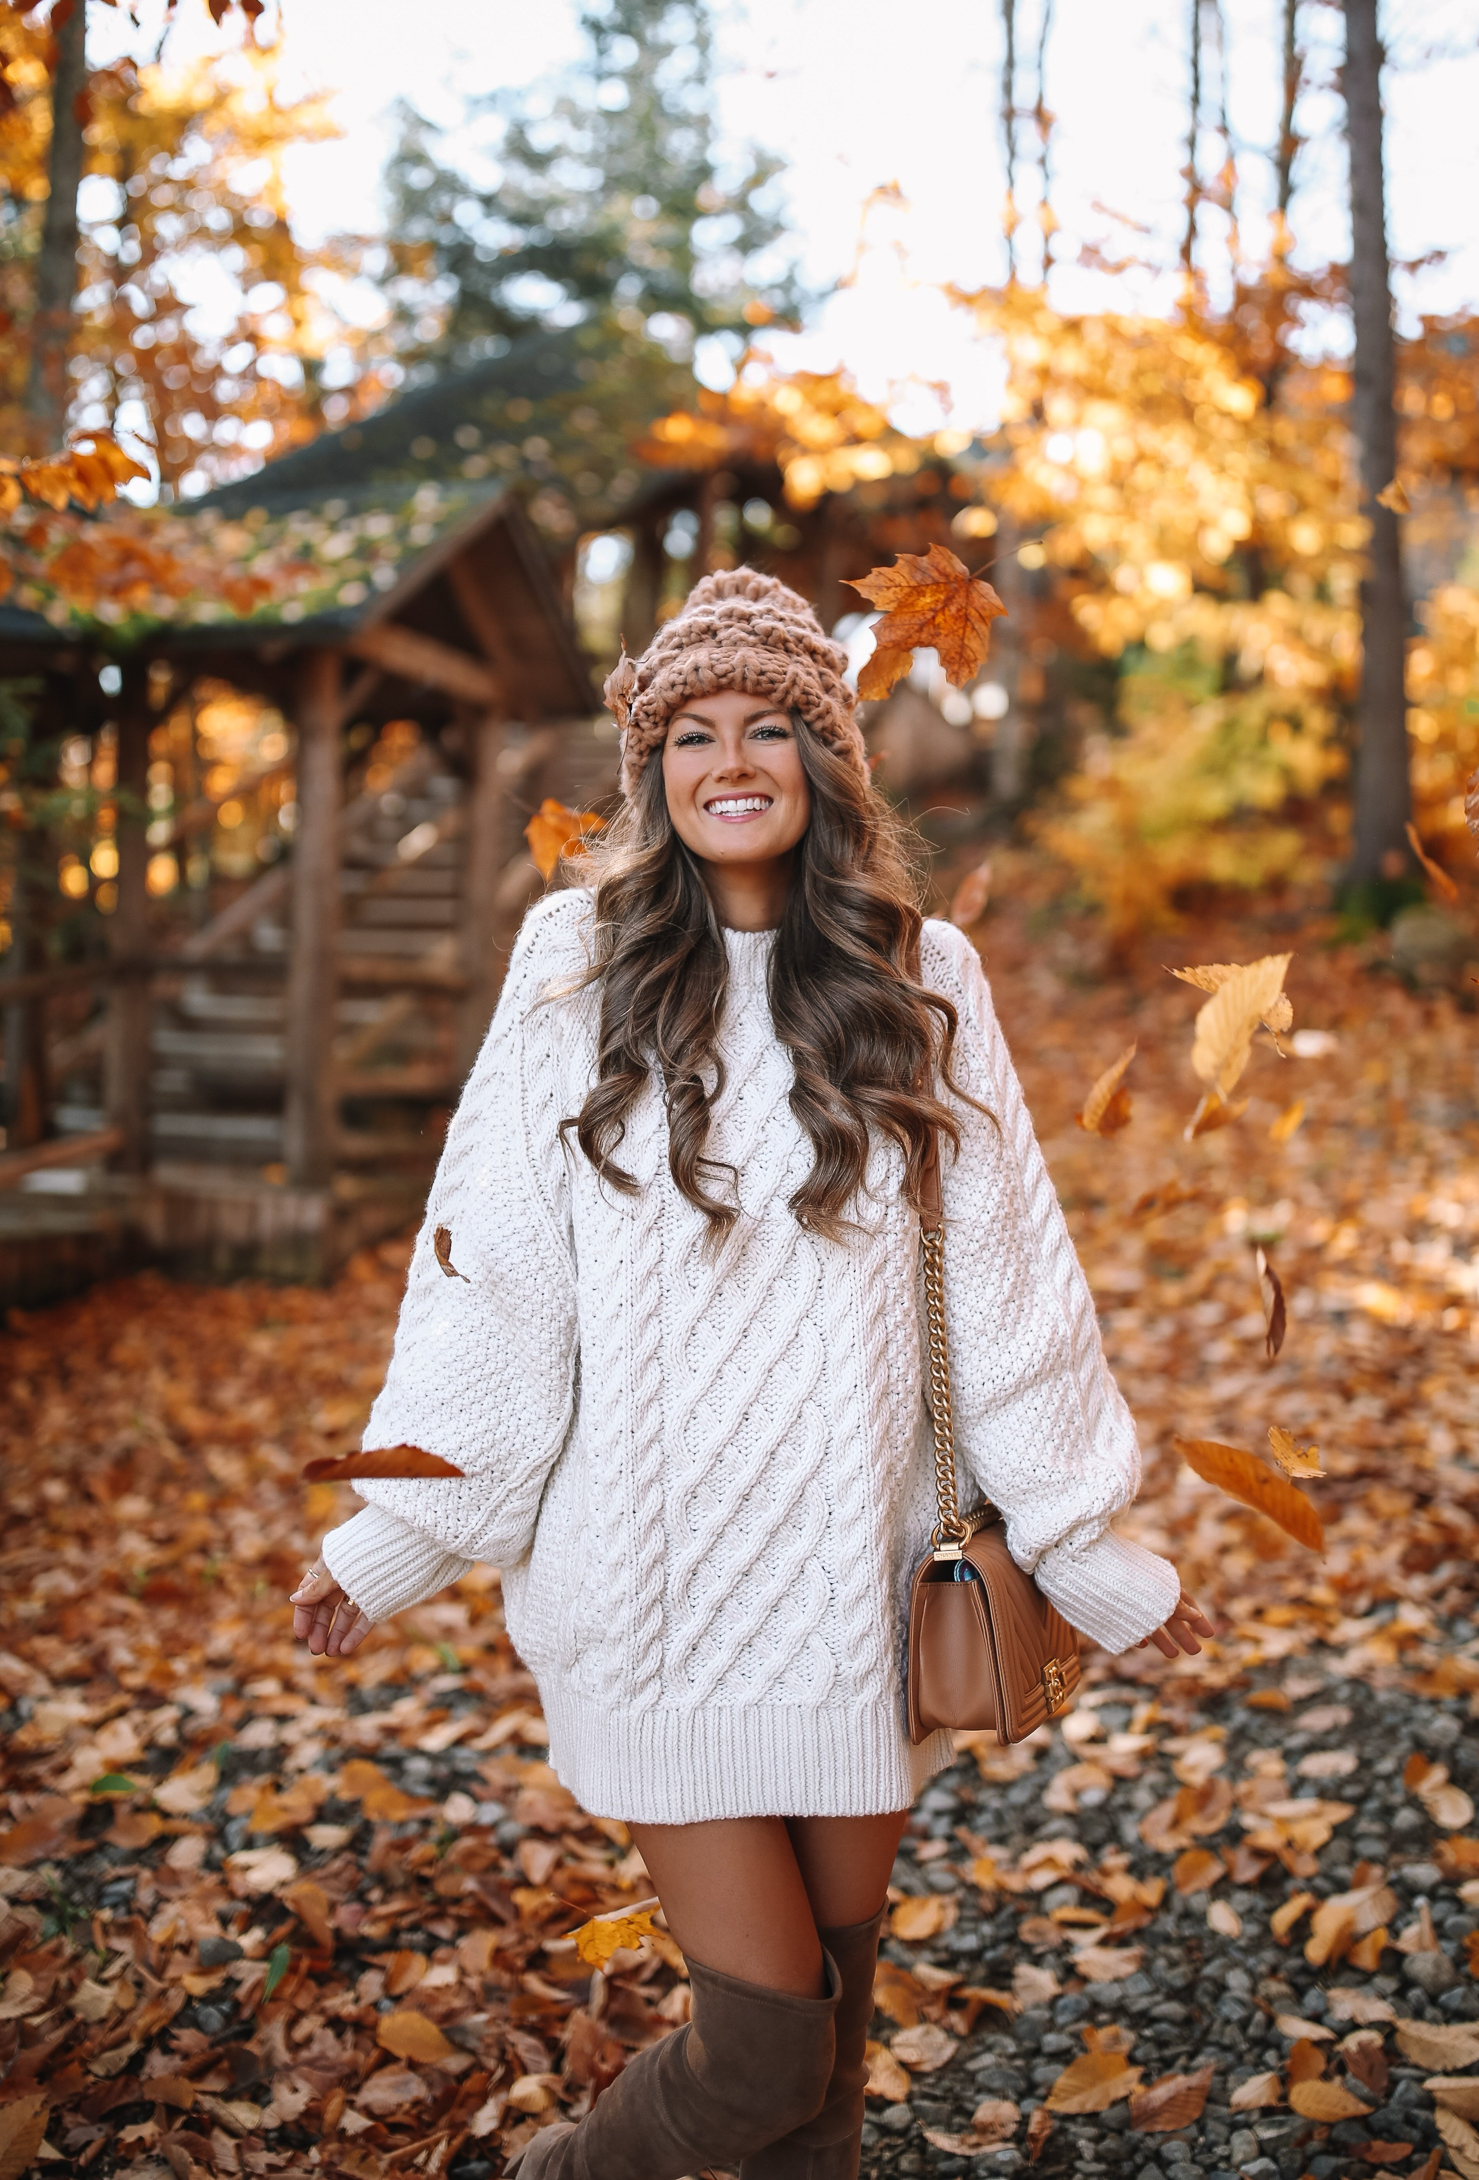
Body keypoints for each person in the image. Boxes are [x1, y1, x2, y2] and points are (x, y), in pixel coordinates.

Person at [291, 569, 1213, 2180]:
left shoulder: (922, 977)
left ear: (824, 762)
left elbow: (1006, 1270)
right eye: (694, 731)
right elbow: (489, 1267)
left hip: (859, 1588)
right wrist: (405, 1533)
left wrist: (1083, 1542)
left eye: (773, 726)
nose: (734, 759)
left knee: (833, 2058)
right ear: (650, 769)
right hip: (647, 1598)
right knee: (763, 2045)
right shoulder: (573, 962)